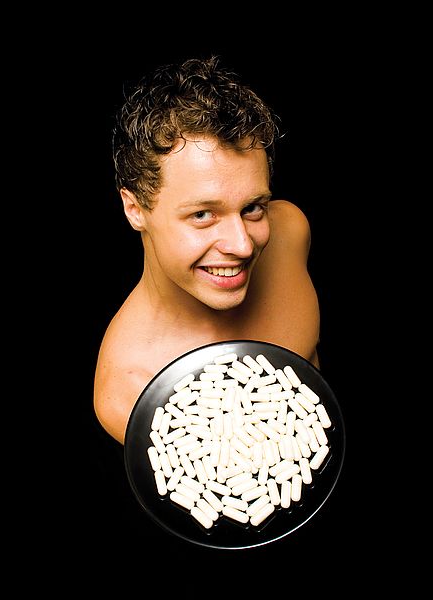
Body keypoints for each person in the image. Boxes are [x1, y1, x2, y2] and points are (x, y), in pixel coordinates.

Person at [94, 56, 320, 444]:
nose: (243, 244)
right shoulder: (130, 391)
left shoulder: (289, 231)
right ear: (135, 209)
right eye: (202, 214)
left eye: (252, 207)